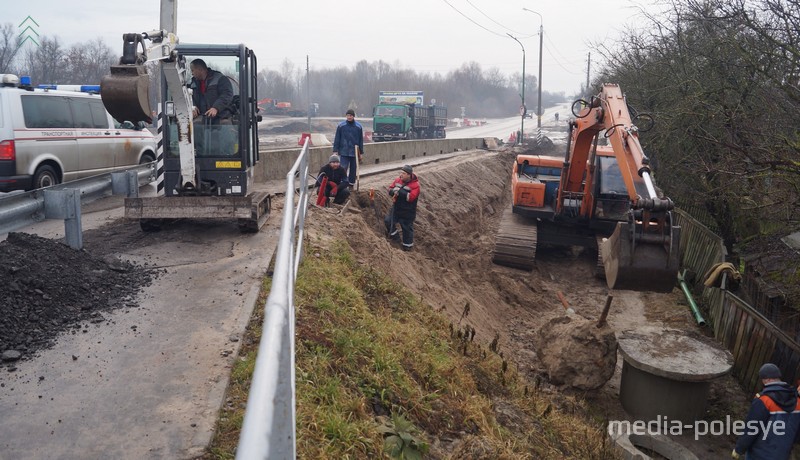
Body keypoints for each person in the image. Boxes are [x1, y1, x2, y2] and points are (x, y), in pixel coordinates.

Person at [732, 363, 800, 459]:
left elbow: (752, 428)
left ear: (767, 379)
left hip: (759, 454)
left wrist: (739, 449)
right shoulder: (797, 401)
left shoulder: (764, 400)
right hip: (782, 454)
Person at [384, 165, 420, 251]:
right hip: (396, 208)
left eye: (404, 173)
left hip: (408, 211)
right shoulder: (397, 180)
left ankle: (407, 247)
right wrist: (393, 191)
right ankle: (395, 238)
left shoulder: (415, 185)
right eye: (401, 173)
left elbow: (410, 197)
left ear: (409, 175)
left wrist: (400, 192)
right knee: (388, 221)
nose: (401, 175)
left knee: (407, 229)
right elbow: (390, 189)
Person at [189, 58, 234, 123]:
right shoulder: (193, 83)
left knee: (225, 124)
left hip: (221, 115)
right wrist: (193, 108)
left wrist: (216, 108)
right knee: (193, 125)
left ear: (200, 70)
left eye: (192, 70)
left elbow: (227, 95)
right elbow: (190, 97)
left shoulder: (220, 79)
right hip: (203, 116)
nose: (192, 73)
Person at [332, 108, 364, 185]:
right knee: (343, 168)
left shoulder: (358, 127)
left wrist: (361, 152)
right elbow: (337, 138)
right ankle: (343, 182)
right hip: (344, 151)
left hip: (355, 152)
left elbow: (360, 140)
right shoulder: (341, 126)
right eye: (348, 115)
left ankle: (351, 183)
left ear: (353, 116)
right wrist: (335, 150)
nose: (349, 117)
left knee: (353, 169)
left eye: (350, 115)